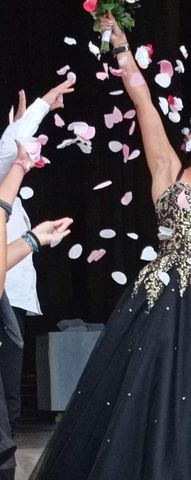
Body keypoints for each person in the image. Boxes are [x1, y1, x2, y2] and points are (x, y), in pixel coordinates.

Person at [0, 83, 75, 480]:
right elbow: (10, 154)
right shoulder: (2, 180)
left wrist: (35, 239)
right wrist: (46, 103)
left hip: (12, 300)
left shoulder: (12, 198)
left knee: (7, 399)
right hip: (4, 301)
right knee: (6, 401)